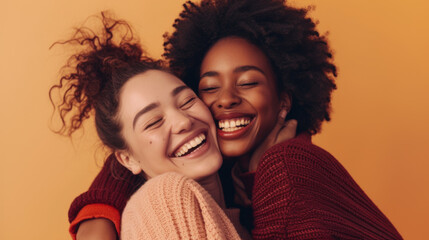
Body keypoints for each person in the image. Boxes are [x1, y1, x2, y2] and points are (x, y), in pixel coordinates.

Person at [68, 0, 403, 239]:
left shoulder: (285, 167)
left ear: (284, 100)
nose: (226, 98)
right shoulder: (174, 195)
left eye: (248, 82)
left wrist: (267, 175)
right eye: (209, 88)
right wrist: (96, 215)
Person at [50, 13, 253, 239]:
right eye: (154, 122)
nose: (183, 121)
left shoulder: (234, 205)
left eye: (187, 101)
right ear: (127, 159)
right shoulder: (168, 197)